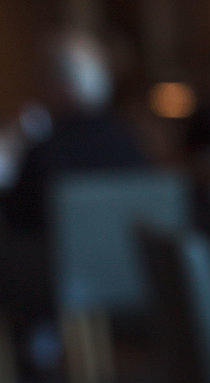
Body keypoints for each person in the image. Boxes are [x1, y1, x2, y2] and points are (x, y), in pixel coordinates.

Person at [2, 28, 149, 235]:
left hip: (53, 265)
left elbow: (15, 220)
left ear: (58, 86)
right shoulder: (131, 140)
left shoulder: (46, 153)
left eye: (42, 80)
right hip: (130, 265)